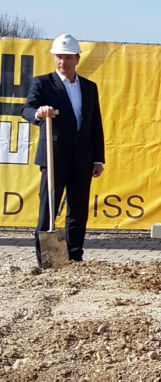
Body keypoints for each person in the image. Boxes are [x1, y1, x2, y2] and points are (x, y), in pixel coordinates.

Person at [21, 34, 105, 267]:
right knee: (48, 209)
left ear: (77, 59)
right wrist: (39, 113)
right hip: (54, 156)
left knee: (78, 211)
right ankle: (46, 260)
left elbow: (94, 123)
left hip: (82, 159)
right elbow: (27, 108)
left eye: (68, 57)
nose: (62, 62)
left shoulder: (89, 87)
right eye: (59, 57)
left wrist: (98, 158)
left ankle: (75, 256)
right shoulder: (43, 83)